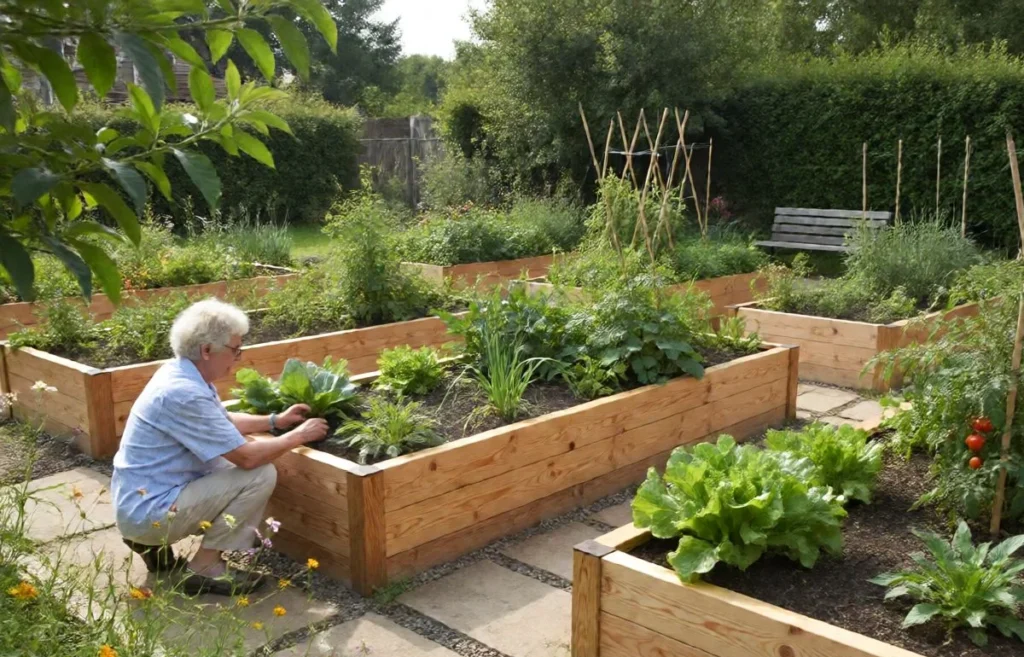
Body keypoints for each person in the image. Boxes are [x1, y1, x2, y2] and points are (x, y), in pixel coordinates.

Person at [110, 299, 328, 595]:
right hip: (152, 510)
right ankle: (205, 567)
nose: (238, 357)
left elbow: (221, 422)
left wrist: (276, 421)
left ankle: (149, 543)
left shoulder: (180, 373)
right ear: (207, 350)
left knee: (237, 461)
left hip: (139, 500)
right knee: (259, 474)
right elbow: (247, 459)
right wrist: (298, 436)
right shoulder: (184, 393)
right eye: (235, 349)